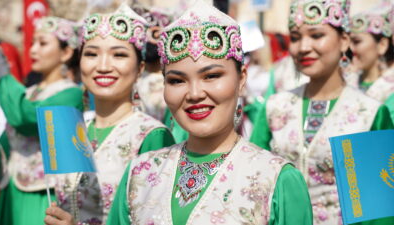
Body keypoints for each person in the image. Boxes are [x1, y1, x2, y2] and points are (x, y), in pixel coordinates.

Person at [107, 1, 313, 224]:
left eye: (211, 76)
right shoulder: (139, 174)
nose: (194, 94)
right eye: (177, 80)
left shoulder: (277, 180)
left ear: (241, 79)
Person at [250, 0, 394, 224]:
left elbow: (379, 211)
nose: (303, 47)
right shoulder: (274, 107)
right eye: (296, 38)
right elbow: (253, 184)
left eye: (316, 35)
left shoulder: (369, 113)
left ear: (344, 40)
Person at [44, 4, 175, 225]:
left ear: (140, 68)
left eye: (119, 55)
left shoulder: (150, 135)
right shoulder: (70, 126)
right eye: (92, 54)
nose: (103, 66)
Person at [0, 16, 84, 225]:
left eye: (42, 43)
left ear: (66, 52)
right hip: (11, 188)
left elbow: (24, 118)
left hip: (42, 193)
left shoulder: (71, 94)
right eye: (33, 42)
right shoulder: (29, 92)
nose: (33, 50)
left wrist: (4, 73)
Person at [347, 1, 394, 100]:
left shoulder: (390, 88)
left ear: (382, 45)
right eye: (349, 41)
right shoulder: (346, 81)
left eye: (357, 42)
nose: (350, 48)